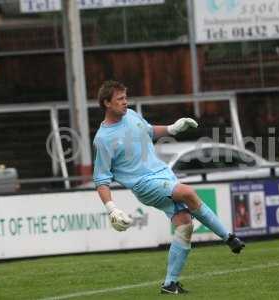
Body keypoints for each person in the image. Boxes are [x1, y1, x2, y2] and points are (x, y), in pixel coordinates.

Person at [93, 80, 245, 295]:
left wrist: (173, 128)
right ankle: (229, 237)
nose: (125, 102)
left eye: (126, 98)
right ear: (107, 103)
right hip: (144, 184)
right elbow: (101, 180)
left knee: (185, 225)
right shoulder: (103, 139)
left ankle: (170, 284)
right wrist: (111, 208)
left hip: (162, 174)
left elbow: (148, 131)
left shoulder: (132, 115)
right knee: (188, 192)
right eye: (120, 99)